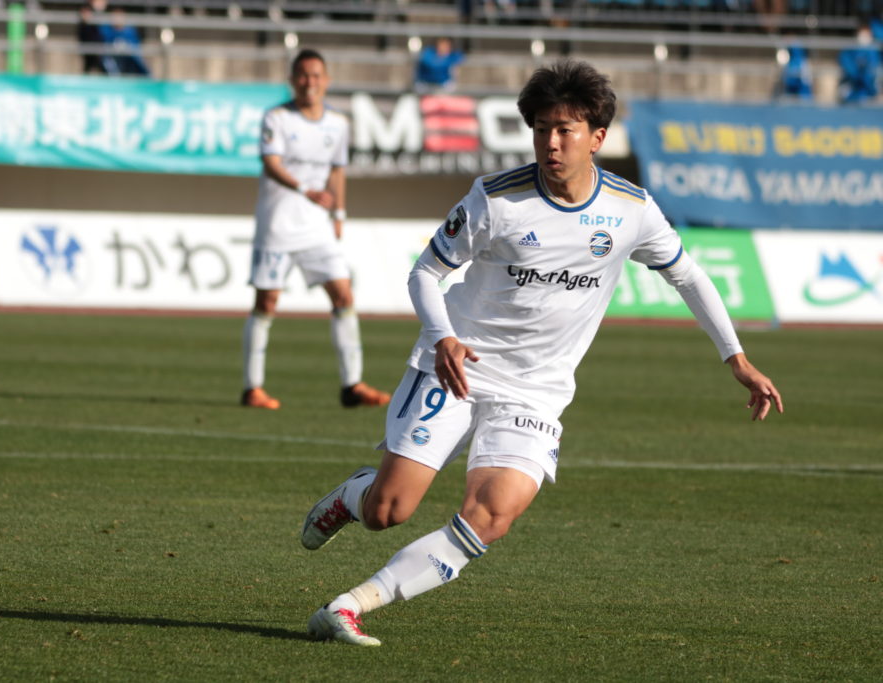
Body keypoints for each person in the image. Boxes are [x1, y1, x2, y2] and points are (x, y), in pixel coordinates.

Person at [299, 59, 784, 646]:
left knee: (491, 515)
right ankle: (355, 495)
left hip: (536, 390)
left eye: (565, 130)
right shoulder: (496, 199)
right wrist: (443, 336)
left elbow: (688, 276)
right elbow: (425, 273)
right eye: (541, 129)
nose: (550, 143)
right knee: (388, 511)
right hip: (458, 366)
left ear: (597, 137)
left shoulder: (631, 210)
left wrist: (737, 359)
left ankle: (349, 606)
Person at [241, 48, 390, 410]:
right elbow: (271, 162)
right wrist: (304, 189)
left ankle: (352, 385)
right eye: (303, 75)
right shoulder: (277, 118)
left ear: (327, 81)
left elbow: (337, 170)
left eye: (316, 75)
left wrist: (338, 212)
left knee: (343, 295)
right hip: (277, 224)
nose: (310, 82)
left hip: (317, 227)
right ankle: (252, 388)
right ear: (292, 80)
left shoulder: (337, 123)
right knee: (267, 302)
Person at [837, 23, 881, 105]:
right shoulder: (849, 50)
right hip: (852, 90)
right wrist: (860, 70)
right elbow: (850, 71)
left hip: (869, 92)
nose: (864, 37)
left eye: (867, 35)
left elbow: (873, 72)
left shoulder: (873, 51)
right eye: (862, 34)